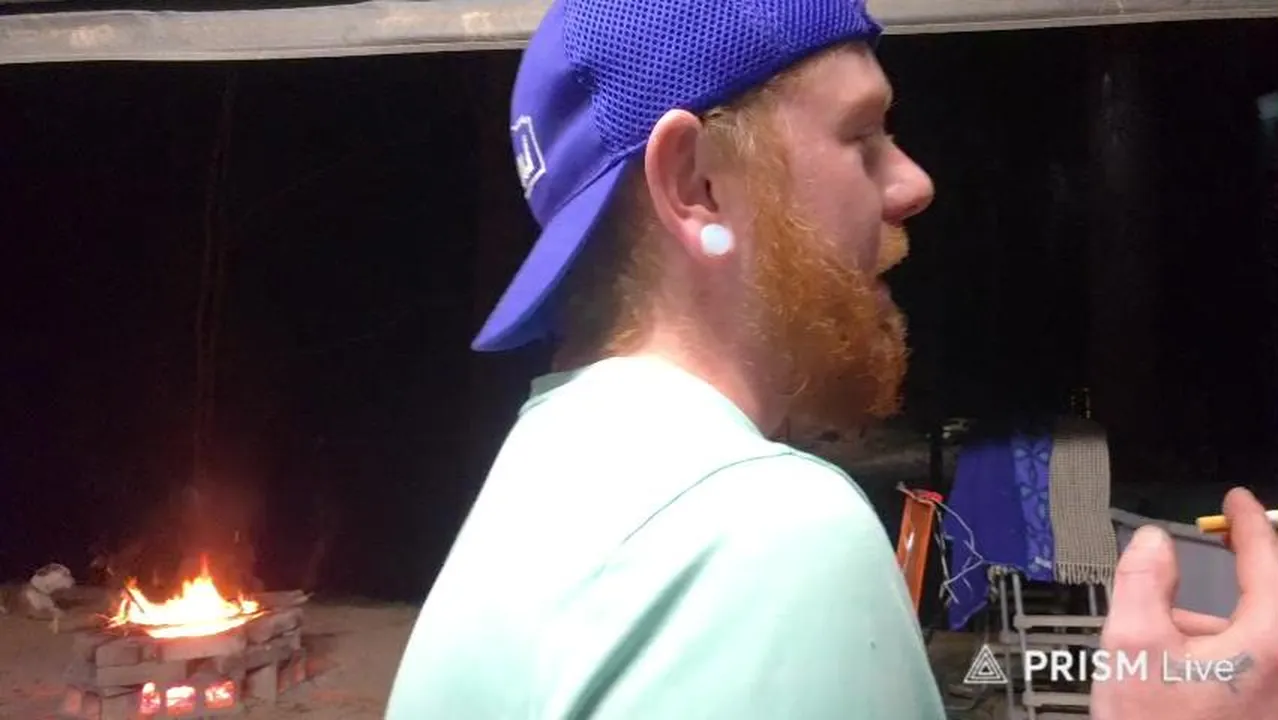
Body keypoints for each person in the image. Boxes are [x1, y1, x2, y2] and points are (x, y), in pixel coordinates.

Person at [386, 0, 1278, 717]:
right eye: (862, 135)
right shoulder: (759, 533)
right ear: (697, 185)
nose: (914, 183)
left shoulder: (547, 474)